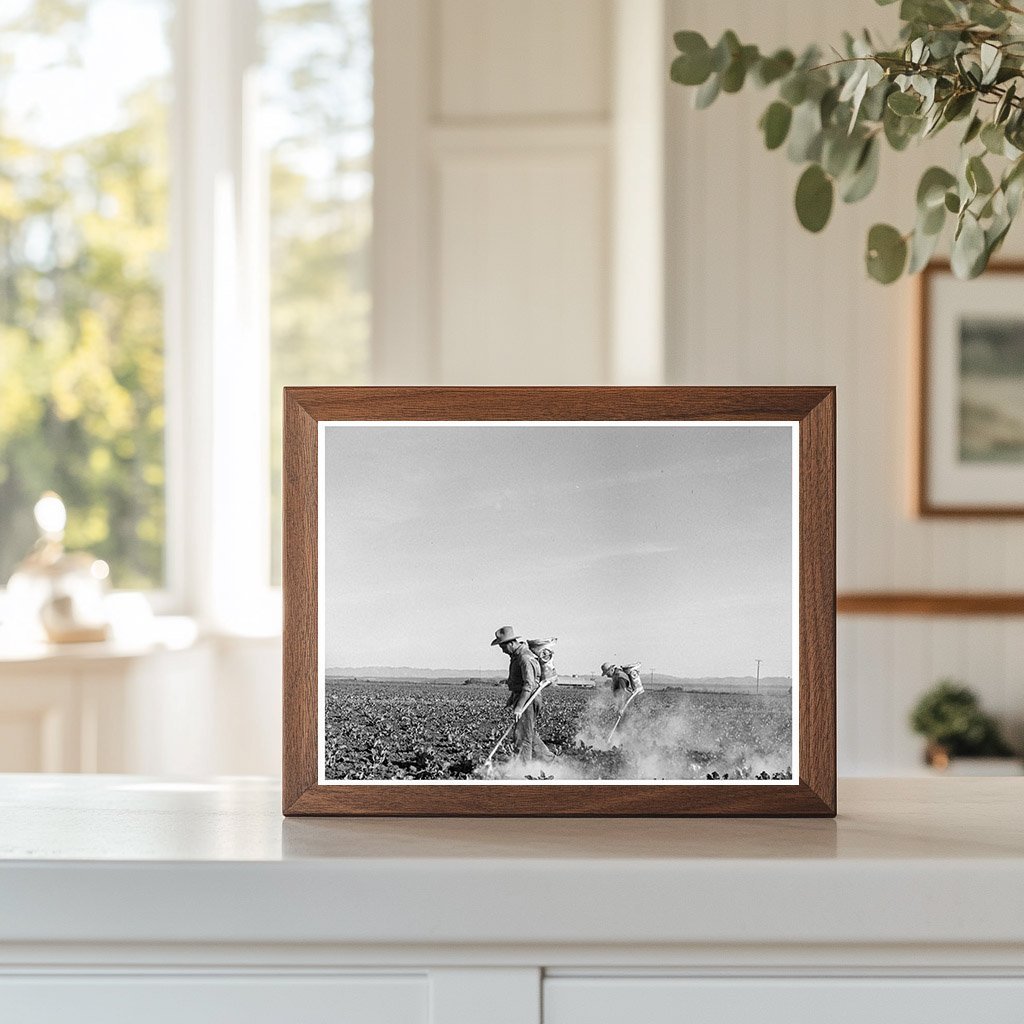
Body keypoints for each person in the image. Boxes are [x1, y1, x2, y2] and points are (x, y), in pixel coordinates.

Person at [491, 625, 553, 762]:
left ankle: (523, 769)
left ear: (511, 643)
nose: (502, 651)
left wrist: (519, 707)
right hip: (523, 697)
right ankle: (550, 761)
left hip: (528, 699)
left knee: (522, 736)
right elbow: (519, 681)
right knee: (529, 733)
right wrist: (512, 697)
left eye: (503, 647)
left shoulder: (524, 657)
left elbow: (528, 685)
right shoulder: (517, 656)